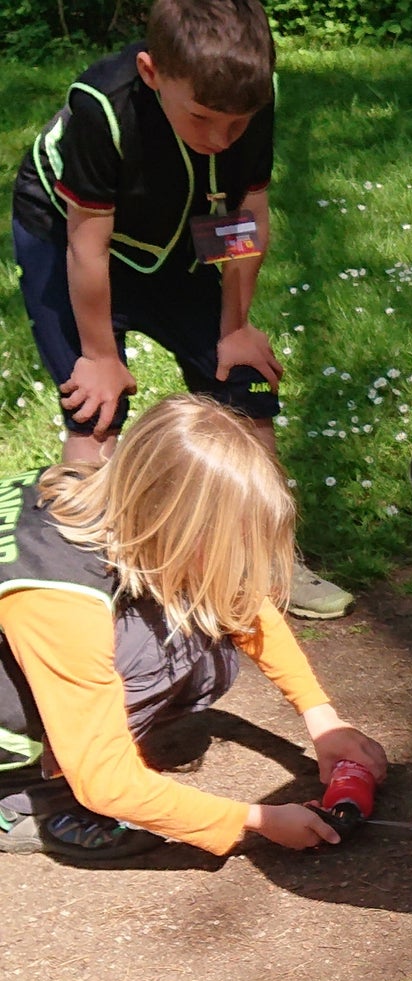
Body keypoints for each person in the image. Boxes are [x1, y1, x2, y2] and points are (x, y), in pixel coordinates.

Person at [10, 0, 353, 619]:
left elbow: (246, 215)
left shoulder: (253, 91)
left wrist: (236, 326)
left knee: (242, 381)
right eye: (202, 118)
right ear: (150, 72)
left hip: (176, 227)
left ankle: (267, 559)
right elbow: (88, 246)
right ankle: (85, 579)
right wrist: (99, 355)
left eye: (237, 123)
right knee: (95, 406)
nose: (220, 139)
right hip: (71, 235)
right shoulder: (102, 106)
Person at [0, 394, 388, 862]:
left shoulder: (105, 492)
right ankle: (26, 802)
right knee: (161, 650)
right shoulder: (56, 595)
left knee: (195, 619)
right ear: (173, 521)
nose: (241, 564)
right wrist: (251, 821)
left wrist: (322, 719)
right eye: (228, 543)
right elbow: (107, 781)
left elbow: (237, 595)